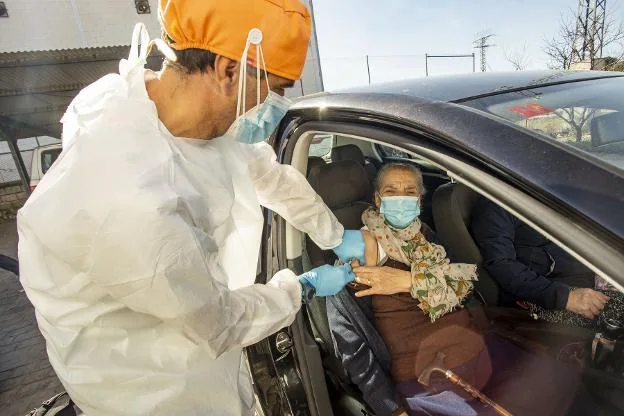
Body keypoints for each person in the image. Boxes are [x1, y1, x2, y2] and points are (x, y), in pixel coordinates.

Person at [17, 1, 365, 415]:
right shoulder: (128, 196)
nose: (278, 105)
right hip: (151, 391)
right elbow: (220, 322)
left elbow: (267, 175)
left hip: (202, 359)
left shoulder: (180, 116)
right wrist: (302, 287)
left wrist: (334, 234)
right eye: (278, 89)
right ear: (228, 70)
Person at [328, 163, 602, 416]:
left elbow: (467, 285)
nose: (401, 198)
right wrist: (391, 409)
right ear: (378, 200)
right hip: (427, 377)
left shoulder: (425, 238)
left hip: (475, 345)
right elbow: (353, 351)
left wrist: (410, 281)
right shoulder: (353, 259)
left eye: (409, 191)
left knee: (566, 384)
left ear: (419, 201)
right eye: (391, 191)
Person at [471, 197, 619, 326]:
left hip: (591, 274)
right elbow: (501, 264)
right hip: (545, 297)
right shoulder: (496, 205)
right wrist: (566, 298)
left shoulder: (542, 191)